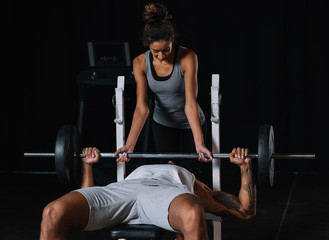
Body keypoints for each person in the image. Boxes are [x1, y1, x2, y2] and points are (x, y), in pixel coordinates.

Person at [40, 147, 256, 240]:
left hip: (165, 194)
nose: (167, 160)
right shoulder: (136, 173)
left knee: (192, 213)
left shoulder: (186, 176)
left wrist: (245, 167)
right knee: (53, 212)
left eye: (170, 160)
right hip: (123, 191)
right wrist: (87, 165)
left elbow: (244, 211)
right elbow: (87, 202)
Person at [115, 2, 212, 176]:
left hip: (190, 123)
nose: (161, 57)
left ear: (172, 41)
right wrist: (130, 145)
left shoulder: (188, 57)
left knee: (190, 176)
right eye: (155, 52)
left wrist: (199, 143)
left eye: (166, 50)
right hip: (163, 123)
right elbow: (142, 108)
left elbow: (190, 104)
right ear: (147, 45)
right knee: (168, 173)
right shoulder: (139, 63)